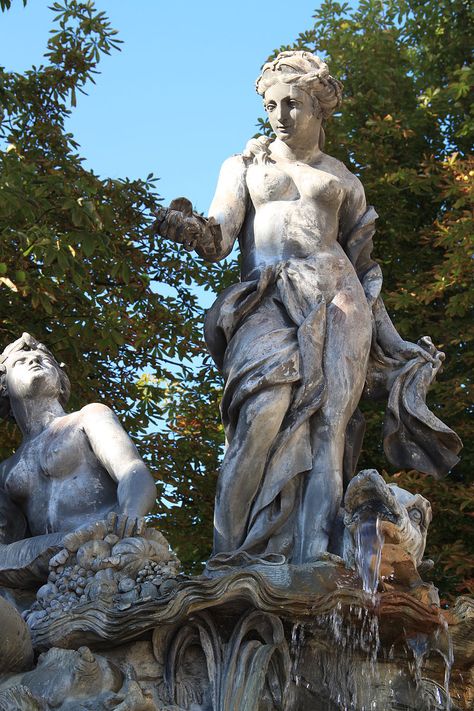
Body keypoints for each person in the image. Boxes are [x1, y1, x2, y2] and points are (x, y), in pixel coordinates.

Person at [154, 51, 461, 567]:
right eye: (271, 104)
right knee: (260, 415)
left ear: (320, 108)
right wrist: (188, 229)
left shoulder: (344, 178)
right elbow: (219, 237)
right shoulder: (245, 165)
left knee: (328, 432)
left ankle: (314, 563)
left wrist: (394, 341)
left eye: (292, 103)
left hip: (340, 300)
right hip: (267, 296)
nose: (279, 115)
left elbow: (365, 271)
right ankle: (225, 561)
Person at [0, 332, 157, 587]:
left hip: (103, 545)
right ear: (3, 387)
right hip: (50, 570)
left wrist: (131, 512)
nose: (34, 361)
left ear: (61, 383)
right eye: (21, 361)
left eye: (44, 359)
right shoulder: (6, 471)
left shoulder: (88, 417)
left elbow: (131, 469)